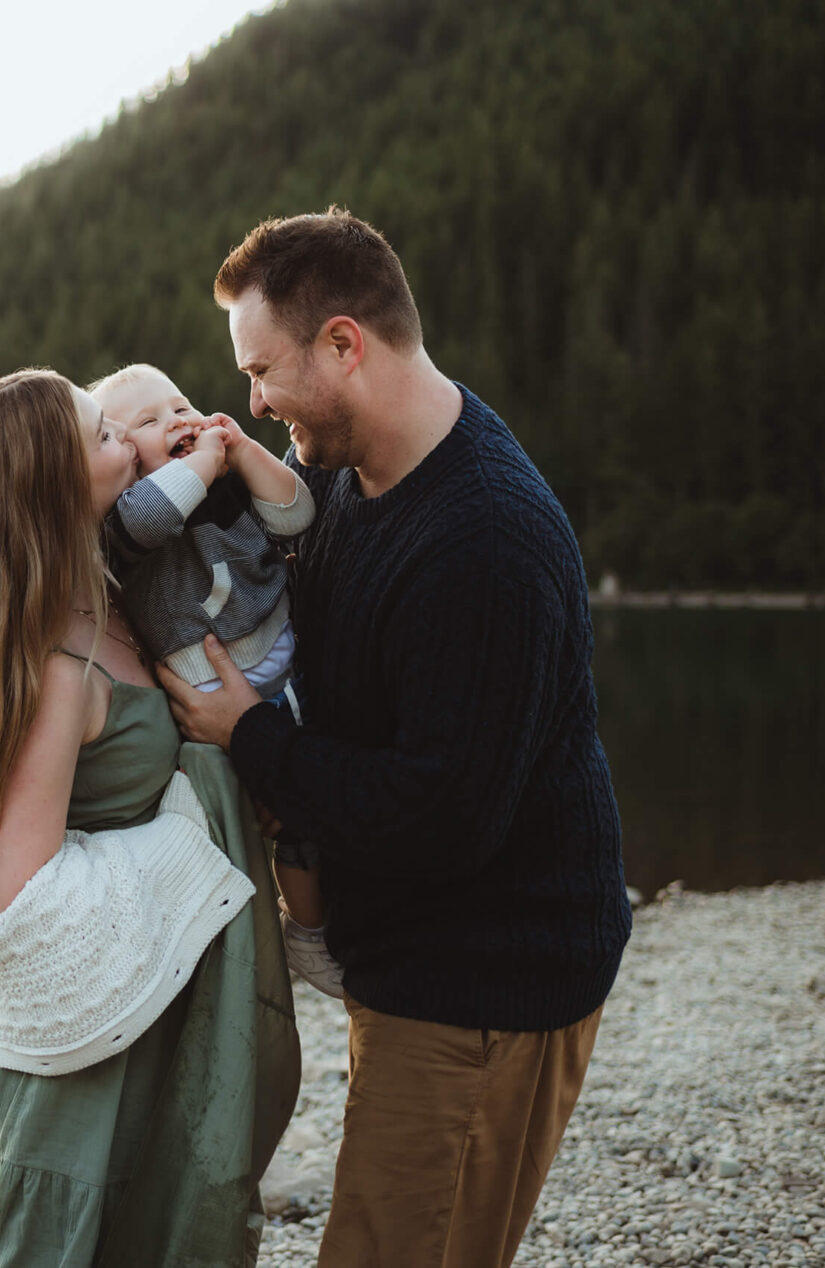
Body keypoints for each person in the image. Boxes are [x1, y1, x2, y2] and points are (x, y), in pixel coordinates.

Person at [160, 210, 633, 1268]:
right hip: (415, 955)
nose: (252, 402)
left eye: (262, 371)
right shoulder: (336, 477)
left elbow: (441, 818)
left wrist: (247, 735)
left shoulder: (485, 539)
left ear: (342, 345)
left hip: (487, 980)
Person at [0, 368, 300, 1267]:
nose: (131, 439)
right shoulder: (52, 667)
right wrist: (199, 830)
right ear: (55, 485)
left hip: (147, 1009)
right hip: (86, 1064)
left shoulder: (112, 596)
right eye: (106, 434)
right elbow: (21, 910)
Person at [89, 362, 342, 997]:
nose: (176, 420)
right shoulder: (123, 521)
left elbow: (296, 515)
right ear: (122, 454)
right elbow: (154, 514)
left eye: (181, 405)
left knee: (308, 812)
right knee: (247, 817)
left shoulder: (228, 487)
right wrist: (199, 463)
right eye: (148, 422)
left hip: (291, 668)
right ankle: (246, 946)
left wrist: (245, 449)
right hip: (206, 695)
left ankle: (311, 932)